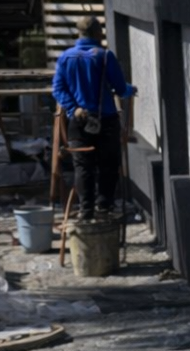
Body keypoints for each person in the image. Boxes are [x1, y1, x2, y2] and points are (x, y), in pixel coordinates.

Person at [52, 16, 135, 221]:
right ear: (99, 33)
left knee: (83, 167)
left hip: (78, 122)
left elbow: (58, 89)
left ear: (79, 33)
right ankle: (104, 207)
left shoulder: (65, 58)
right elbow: (120, 88)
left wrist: (74, 108)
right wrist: (131, 90)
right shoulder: (105, 56)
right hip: (106, 121)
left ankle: (86, 210)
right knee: (108, 164)